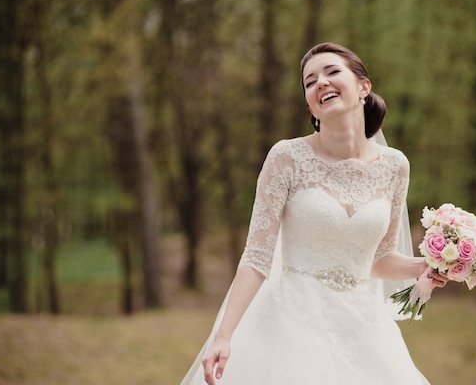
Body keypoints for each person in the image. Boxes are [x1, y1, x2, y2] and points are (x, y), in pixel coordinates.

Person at [180, 42, 448, 385]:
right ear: (310, 103)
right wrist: (224, 335)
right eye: (310, 81)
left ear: (363, 87)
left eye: (332, 72)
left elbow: (378, 259)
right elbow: (257, 257)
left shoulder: (396, 166)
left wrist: (425, 264)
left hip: (363, 328)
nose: (320, 82)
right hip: (291, 324)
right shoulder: (287, 157)